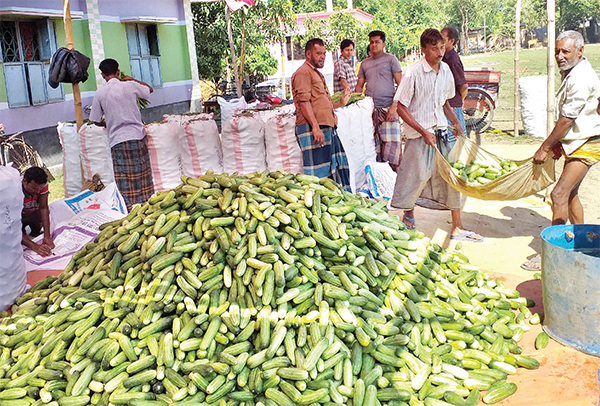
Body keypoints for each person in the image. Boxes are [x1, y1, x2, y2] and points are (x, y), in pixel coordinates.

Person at [390, 28, 483, 242]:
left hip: (440, 132)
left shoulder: (447, 71)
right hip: (418, 135)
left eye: (442, 48)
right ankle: (408, 215)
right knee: (416, 177)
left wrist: (456, 122)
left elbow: (444, 102)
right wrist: (423, 131)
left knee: (451, 179)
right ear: (423, 50)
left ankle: (457, 227)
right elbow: (401, 107)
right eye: (434, 49)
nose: (439, 52)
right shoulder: (413, 72)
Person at [523, 30, 600, 271]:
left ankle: (554, 254)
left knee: (558, 195)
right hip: (578, 141)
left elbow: (567, 120)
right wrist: (558, 143)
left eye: (565, 51)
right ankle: (582, 244)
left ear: (580, 51)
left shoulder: (580, 78)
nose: (559, 56)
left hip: (587, 143)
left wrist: (545, 146)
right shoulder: (573, 72)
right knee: (571, 194)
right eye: (557, 51)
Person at [89, 58, 155, 211]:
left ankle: (129, 209)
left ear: (103, 76)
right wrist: (133, 79)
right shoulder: (130, 85)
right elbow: (149, 90)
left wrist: (108, 123)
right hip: (137, 136)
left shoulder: (100, 93)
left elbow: (95, 120)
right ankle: (148, 205)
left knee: (124, 177)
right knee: (142, 172)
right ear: (118, 72)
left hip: (117, 139)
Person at [291, 38, 352, 191]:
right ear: (308, 54)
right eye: (318, 53)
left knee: (334, 171)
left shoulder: (316, 74)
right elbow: (304, 102)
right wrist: (315, 127)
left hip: (326, 128)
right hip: (311, 129)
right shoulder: (303, 73)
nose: (322, 57)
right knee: (317, 176)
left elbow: (322, 102)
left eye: (324, 54)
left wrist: (339, 106)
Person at [355, 30, 403, 166]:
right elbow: (359, 86)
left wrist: (394, 107)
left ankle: (394, 181)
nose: (374, 45)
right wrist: (356, 106)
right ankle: (378, 179)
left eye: (377, 42)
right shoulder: (364, 64)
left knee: (392, 148)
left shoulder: (391, 60)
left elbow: (401, 84)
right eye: (371, 42)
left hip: (389, 109)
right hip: (370, 111)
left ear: (383, 44)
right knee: (373, 148)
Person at [441, 26, 468, 147]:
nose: (439, 42)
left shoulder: (453, 59)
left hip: (453, 105)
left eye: (443, 39)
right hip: (444, 105)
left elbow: (463, 86)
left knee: (457, 140)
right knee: (447, 141)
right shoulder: (441, 58)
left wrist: (459, 101)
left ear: (451, 41)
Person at [21, 167, 54, 257]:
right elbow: (12, 226)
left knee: (39, 218)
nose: (37, 192)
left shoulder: (41, 186)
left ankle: (34, 233)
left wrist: (47, 236)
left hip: (32, 213)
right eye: (34, 189)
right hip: (18, 217)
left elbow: (43, 208)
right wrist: (35, 247)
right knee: (16, 237)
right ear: (24, 182)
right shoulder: (15, 191)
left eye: (40, 189)